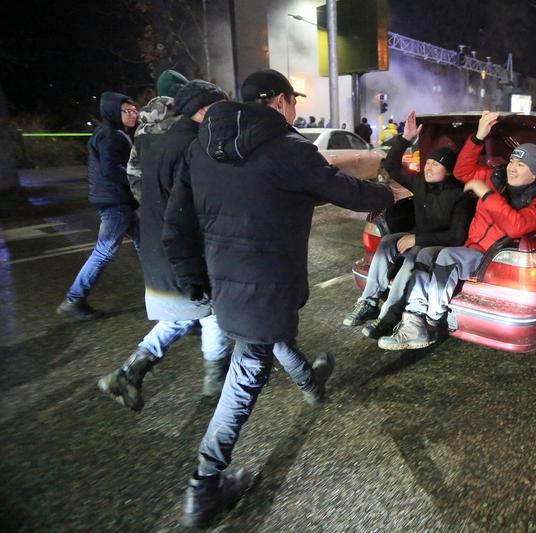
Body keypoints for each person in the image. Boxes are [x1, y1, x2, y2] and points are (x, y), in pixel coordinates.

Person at [162, 68, 394, 528]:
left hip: (224, 282)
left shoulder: (201, 147)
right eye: (292, 101)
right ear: (281, 102)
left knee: (265, 337)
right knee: (246, 374)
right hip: (266, 284)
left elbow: (176, 226)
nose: (294, 109)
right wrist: (388, 193)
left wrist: (196, 284)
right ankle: (204, 486)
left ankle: (311, 382)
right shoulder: (289, 149)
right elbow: (345, 192)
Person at [97, 80, 230, 412]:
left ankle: (128, 373)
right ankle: (216, 386)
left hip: (157, 235)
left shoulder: (148, 140)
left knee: (182, 313)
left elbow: (136, 182)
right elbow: (198, 202)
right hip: (183, 242)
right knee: (210, 310)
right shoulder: (193, 144)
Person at [378, 111, 536, 350]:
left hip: (488, 258)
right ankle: (413, 318)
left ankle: (430, 319)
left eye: (521, 165)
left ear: (534, 173)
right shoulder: (497, 178)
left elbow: (516, 226)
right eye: (512, 161)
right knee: (424, 254)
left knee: (445, 256)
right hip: (467, 245)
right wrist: (479, 136)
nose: (512, 168)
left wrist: (486, 194)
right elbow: (462, 171)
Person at [343, 110, 472, 339]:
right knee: (387, 243)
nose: (429, 167)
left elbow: (456, 237)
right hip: (419, 236)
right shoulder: (421, 182)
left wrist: (417, 239)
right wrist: (406, 137)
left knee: (411, 258)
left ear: (449, 170)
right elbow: (391, 166)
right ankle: (369, 301)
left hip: (438, 245)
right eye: (428, 162)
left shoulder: (460, 195)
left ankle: (387, 317)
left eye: (436, 164)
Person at [56, 91, 141, 320]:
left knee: (146, 243)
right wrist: (136, 179)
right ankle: (74, 299)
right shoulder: (110, 135)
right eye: (127, 111)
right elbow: (111, 169)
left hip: (117, 199)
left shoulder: (113, 133)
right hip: (115, 201)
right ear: (114, 112)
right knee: (104, 251)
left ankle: (166, 288)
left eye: (135, 110)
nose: (133, 115)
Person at [127, 69, 188, 203]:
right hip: (185, 212)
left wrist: (149, 204)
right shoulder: (188, 123)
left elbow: (133, 170)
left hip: (153, 213)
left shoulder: (142, 128)